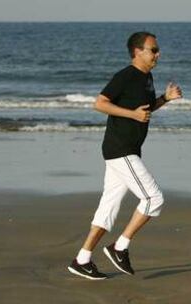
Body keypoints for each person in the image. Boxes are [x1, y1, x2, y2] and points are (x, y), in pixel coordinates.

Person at [68, 31, 182, 280]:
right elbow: (99, 103)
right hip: (121, 149)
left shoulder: (147, 77)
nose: (158, 54)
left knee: (108, 209)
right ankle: (119, 247)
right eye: (153, 50)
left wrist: (165, 98)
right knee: (154, 198)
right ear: (137, 51)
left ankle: (82, 259)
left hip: (126, 150)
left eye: (157, 49)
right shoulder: (126, 75)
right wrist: (132, 115)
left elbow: (145, 108)